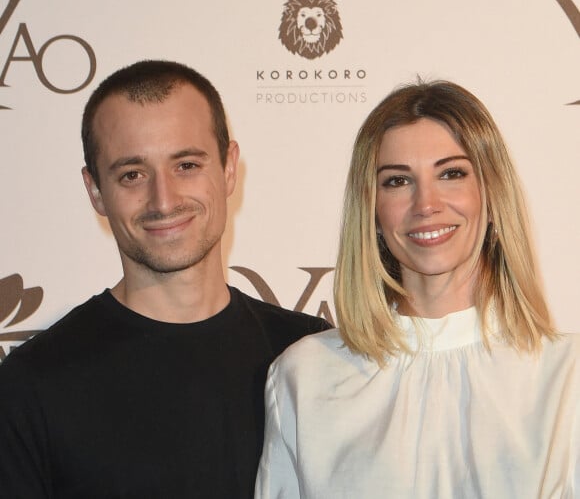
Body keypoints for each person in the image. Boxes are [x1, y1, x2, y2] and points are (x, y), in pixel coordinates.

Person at [0, 60, 330, 499]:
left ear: (229, 168)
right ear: (95, 190)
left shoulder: (310, 356)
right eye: (132, 174)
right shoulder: (30, 386)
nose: (164, 199)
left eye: (187, 165)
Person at [255, 80, 580, 498]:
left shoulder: (567, 375)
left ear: (492, 194)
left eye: (451, 174)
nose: (426, 204)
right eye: (397, 181)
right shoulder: (304, 377)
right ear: (371, 209)